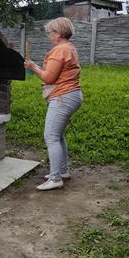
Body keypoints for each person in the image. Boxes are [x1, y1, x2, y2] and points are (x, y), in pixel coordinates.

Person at [25, 17, 83, 191]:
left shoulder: (59, 50)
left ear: (58, 34)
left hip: (62, 97)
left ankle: (56, 178)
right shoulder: (69, 48)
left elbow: (49, 77)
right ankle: (62, 171)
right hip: (72, 95)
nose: (49, 35)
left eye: (50, 32)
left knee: (50, 137)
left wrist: (33, 66)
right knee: (58, 136)